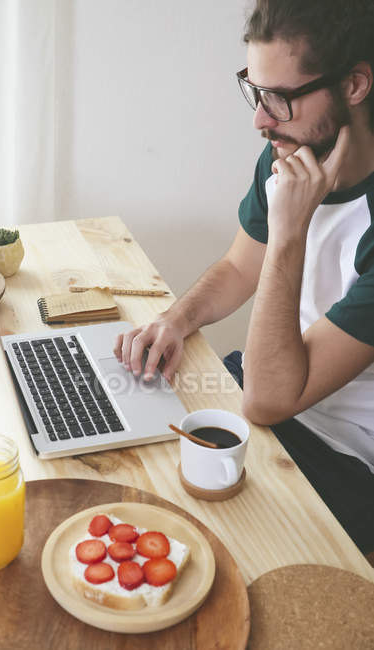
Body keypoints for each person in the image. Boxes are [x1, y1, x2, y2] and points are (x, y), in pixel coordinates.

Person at [114, 0, 374, 559]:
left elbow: (267, 398)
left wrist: (289, 231)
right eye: (254, 90)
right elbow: (238, 267)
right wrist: (174, 320)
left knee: (199, 550)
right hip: (272, 389)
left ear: (354, 84)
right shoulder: (293, 148)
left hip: (347, 456)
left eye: (279, 97)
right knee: (129, 465)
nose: (259, 119)